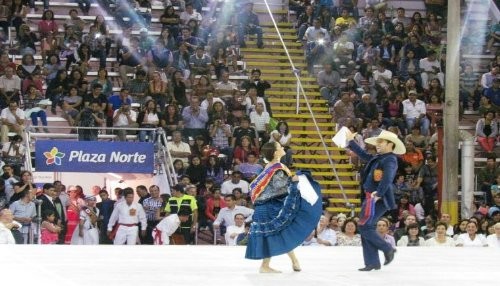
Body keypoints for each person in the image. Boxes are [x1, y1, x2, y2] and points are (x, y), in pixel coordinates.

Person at [245, 142, 322, 273]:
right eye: (280, 147)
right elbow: (279, 187)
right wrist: (295, 181)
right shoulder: (277, 167)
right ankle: (266, 265)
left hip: (265, 205)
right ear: (275, 153)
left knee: (280, 233)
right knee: (276, 233)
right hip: (269, 205)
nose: (282, 147)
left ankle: (294, 262)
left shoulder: (271, 166)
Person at [346, 129, 406, 271]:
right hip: (371, 197)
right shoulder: (379, 157)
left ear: (390, 144)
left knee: (364, 226)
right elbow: (363, 155)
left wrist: (378, 193)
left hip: (378, 198)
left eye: (381, 142)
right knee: (366, 226)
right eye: (377, 142)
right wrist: (351, 142)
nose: (377, 144)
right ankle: (372, 262)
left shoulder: (390, 159)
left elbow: (388, 178)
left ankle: (387, 249)